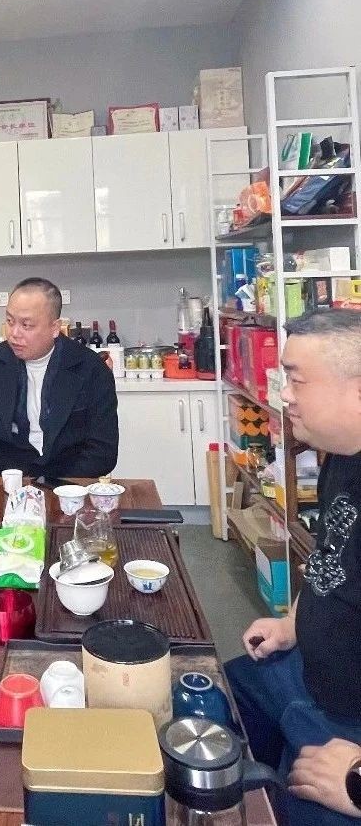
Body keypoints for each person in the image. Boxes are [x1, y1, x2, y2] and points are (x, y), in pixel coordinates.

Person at [225, 309, 361, 825]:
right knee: (213, 696)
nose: (283, 395)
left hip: (351, 734)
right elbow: (331, 562)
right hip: (313, 675)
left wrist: (358, 778)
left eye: (296, 380)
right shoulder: (342, 455)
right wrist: (293, 624)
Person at [0, 277, 118, 479]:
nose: (14, 333)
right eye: (10, 321)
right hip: (6, 481)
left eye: (26, 325)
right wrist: (3, 485)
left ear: (55, 328)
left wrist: (62, 487)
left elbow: (103, 451)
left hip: (70, 485)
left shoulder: (91, 369)